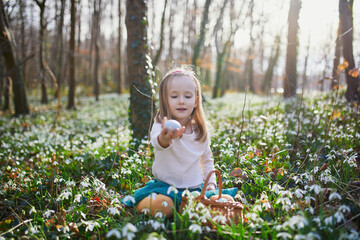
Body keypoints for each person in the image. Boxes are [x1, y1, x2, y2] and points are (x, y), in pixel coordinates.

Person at [122, 66, 237, 217]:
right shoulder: (161, 125)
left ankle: (189, 208)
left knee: (226, 201)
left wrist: (210, 185)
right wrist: (166, 137)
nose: (181, 101)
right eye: (174, 96)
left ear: (196, 101)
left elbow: (206, 160)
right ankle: (147, 205)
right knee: (164, 205)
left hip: (195, 190)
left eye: (187, 97)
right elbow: (158, 143)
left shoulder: (200, 131)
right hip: (165, 189)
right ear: (165, 100)